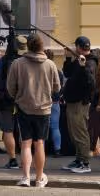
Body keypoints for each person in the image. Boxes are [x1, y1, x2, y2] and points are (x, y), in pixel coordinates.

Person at [7, 35, 62, 188]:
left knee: (26, 143)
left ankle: (25, 177)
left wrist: (18, 96)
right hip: (43, 109)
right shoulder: (50, 64)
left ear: (28, 46)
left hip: (24, 107)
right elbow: (57, 87)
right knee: (39, 143)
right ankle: (39, 178)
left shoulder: (17, 63)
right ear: (41, 47)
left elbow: (10, 87)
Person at [60, 36, 96, 174]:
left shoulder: (90, 62)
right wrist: (68, 58)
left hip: (80, 102)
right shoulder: (79, 59)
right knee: (73, 132)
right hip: (72, 101)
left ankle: (85, 163)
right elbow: (67, 73)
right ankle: (79, 159)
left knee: (80, 132)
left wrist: (82, 67)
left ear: (79, 47)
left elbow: (90, 82)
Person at [0, 41, 21, 168]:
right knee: (24, 131)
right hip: (23, 100)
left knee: (7, 130)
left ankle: (12, 160)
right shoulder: (24, 61)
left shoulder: (1, 62)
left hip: (5, 99)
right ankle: (26, 160)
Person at [88, 48, 100, 157]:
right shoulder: (95, 69)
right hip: (96, 100)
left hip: (99, 101)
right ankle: (98, 148)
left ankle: (92, 148)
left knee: (94, 125)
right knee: (99, 126)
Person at [44, 49, 64, 157]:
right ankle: (57, 149)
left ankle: (41, 149)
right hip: (55, 101)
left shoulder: (42, 70)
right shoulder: (58, 71)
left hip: (43, 101)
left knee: (42, 127)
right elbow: (61, 87)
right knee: (55, 127)